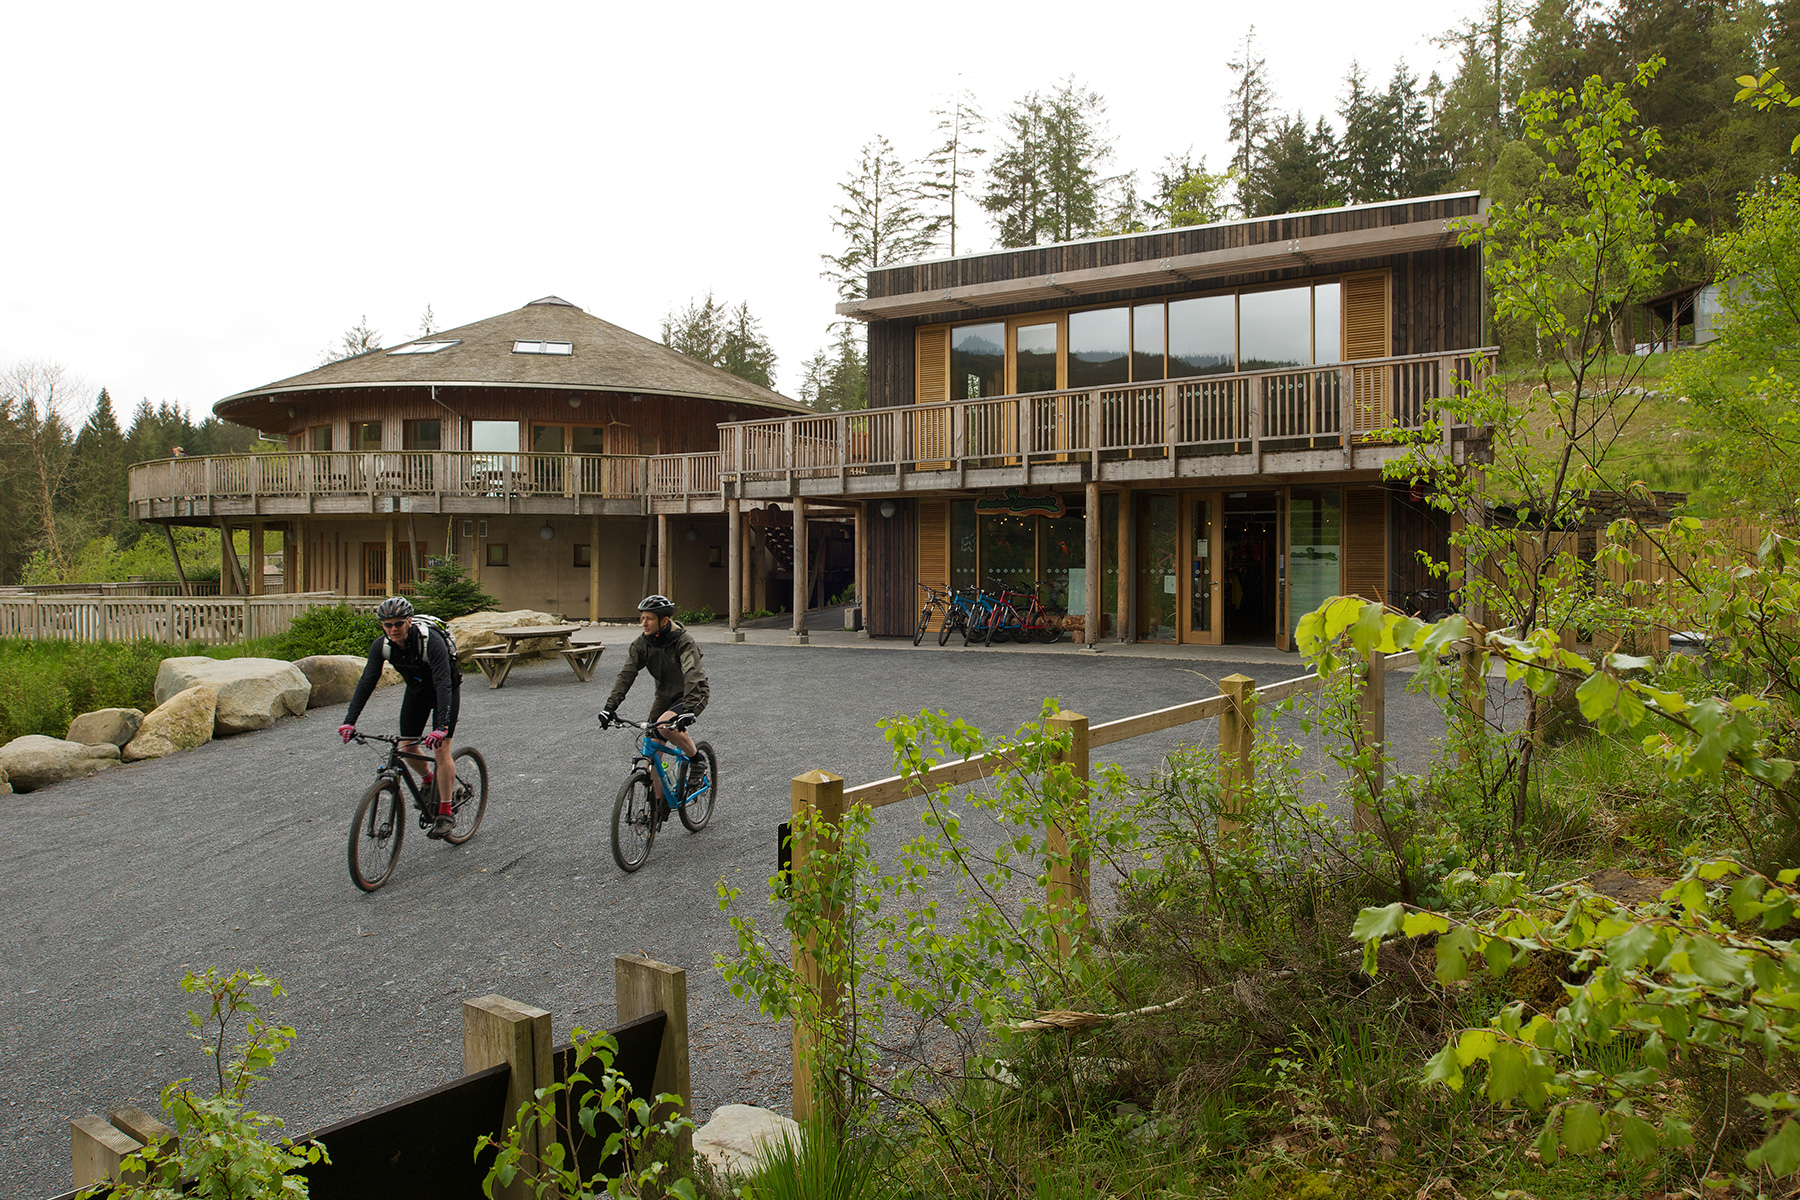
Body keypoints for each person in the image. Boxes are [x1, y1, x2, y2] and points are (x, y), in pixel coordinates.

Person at [338, 596, 462, 838]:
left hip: (444, 690)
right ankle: (429, 780)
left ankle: (446, 812)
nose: (393, 629)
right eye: (387, 625)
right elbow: (366, 683)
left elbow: (443, 683)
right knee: (407, 745)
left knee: (441, 749)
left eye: (398, 623)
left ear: (409, 621)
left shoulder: (431, 642)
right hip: (416, 691)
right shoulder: (381, 646)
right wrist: (349, 721)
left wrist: (441, 727)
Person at [599, 595, 709, 799]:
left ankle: (697, 759)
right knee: (651, 750)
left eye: (649, 618)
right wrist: (609, 707)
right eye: (642, 617)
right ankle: (659, 805)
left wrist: (690, 710)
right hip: (664, 695)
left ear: (664, 621)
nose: (644, 623)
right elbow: (626, 674)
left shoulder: (683, 642)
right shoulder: (642, 643)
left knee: (663, 725)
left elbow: (692, 674)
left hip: (692, 694)